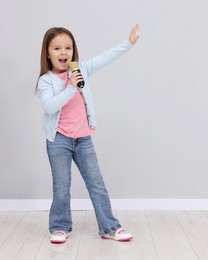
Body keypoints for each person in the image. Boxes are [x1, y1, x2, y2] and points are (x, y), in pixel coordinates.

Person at [35, 24, 140, 243]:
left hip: (83, 140)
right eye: (57, 48)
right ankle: (59, 227)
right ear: (47, 53)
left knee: (96, 184)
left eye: (68, 47)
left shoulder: (81, 69)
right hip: (59, 141)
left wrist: (127, 44)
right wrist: (71, 87)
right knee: (62, 187)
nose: (63, 53)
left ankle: (109, 226)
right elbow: (50, 106)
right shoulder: (46, 80)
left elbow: (106, 57)